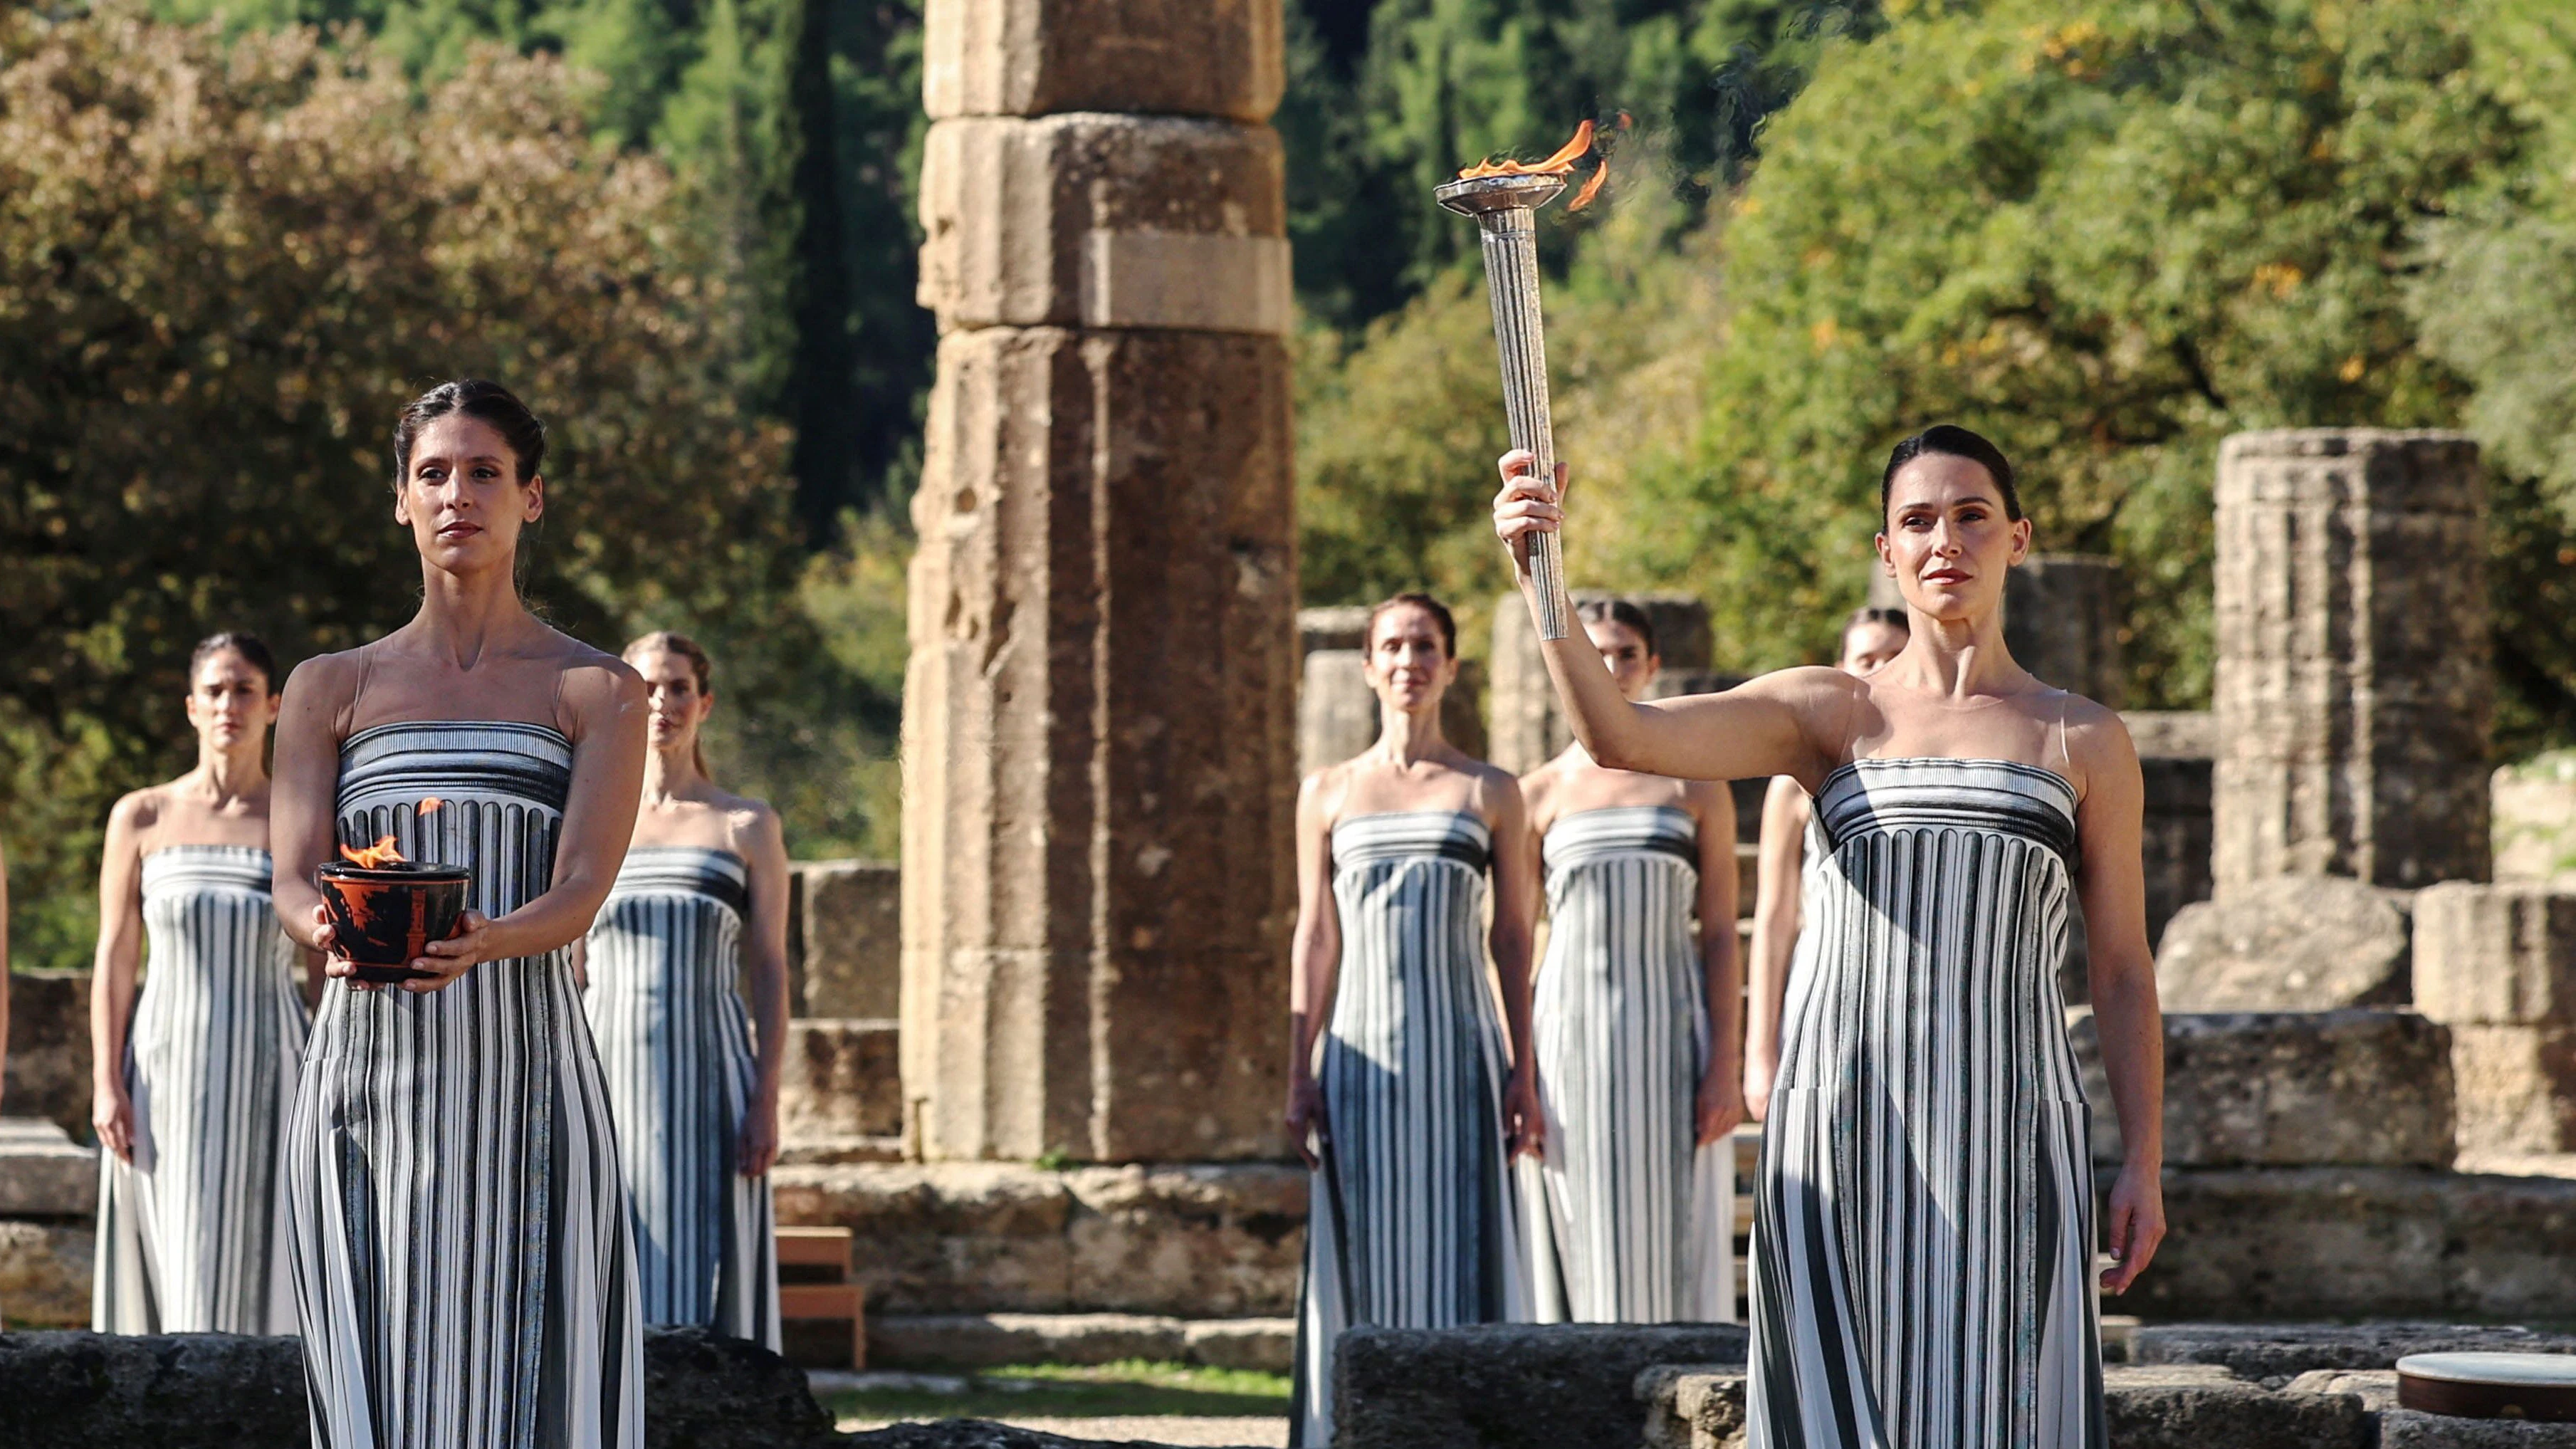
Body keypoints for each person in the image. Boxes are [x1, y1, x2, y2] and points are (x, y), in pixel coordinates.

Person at [1494, 425, 2165, 1447]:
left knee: (2002, 1410)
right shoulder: (1828, 712)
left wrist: (2142, 1161)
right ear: (1886, 549)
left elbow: (2119, 967)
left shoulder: (2079, 737)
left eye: (1971, 514)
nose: (1945, 537)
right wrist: (1543, 576)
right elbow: (1621, 736)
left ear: (2016, 537)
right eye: (1916, 519)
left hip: (2012, 1125)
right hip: (1842, 1124)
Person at [269, 380, 646, 1448]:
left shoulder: (597, 689)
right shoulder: (327, 687)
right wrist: (326, 929)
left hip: (525, 1077)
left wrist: (488, 937)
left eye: (486, 472)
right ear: (400, 499)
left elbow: (581, 887)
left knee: (532, 1389)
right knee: (374, 1386)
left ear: (533, 498)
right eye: (433, 472)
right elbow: (293, 878)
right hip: (362, 1085)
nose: (457, 495)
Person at [1284, 592, 1541, 1448]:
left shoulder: (1491, 790)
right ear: (1368, 666)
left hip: (1460, 1054)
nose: (1408, 660)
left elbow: (1513, 936)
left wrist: (1523, 1069)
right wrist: (1299, 1072)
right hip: (1357, 1059)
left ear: (1450, 667)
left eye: (1425, 645)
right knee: (1366, 1253)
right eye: (1392, 646)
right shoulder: (1326, 793)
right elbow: (1315, 934)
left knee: (1461, 1247)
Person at [1516, 597, 1742, 1324]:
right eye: (1594, 652)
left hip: (1670, 1032)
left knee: (1672, 1224)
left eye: (1623, 654)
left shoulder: (1696, 781)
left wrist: (1724, 1064)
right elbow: (1516, 938)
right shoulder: (1538, 794)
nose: (1608, 668)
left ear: (1652, 666)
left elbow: (1716, 932)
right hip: (1567, 1035)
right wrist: (1518, 1068)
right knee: (1575, 1223)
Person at [89, 633, 312, 1334]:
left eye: (245, 689)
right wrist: (105, 1080)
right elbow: (116, 955)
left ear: (274, 705)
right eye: (214, 690)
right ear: (191, 707)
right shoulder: (142, 816)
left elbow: (320, 965)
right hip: (164, 1073)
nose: (229, 704)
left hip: (273, 1066)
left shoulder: (299, 819)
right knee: (176, 1252)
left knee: (271, 1258)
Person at [578, 632, 785, 1349]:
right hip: (605, 1076)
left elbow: (769, 967)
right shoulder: (591, 822)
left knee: (709, 1272)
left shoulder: (746, 823)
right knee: (603, 1265)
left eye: (676, 687)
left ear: (704, 703)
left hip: (712, 1079)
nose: (661, 702)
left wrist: (766, 1098)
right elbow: (570, 966)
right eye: (646, 687)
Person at [1742, 607, 1906, 1123]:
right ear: (1841, 666)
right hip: (1823, 980)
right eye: (1866, 657)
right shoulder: (1795, 776)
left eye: (1894, 657)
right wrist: (1759, 1052)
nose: (1878, 669)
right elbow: (1773, 920)